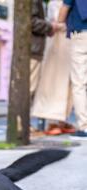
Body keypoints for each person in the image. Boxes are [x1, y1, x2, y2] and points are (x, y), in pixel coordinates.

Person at [32, 0, 75, 135]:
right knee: (54, 82)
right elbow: (55, 22)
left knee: (69, 84)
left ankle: (61, 120)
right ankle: (52, 120)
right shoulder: (53, 4)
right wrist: (59, 24)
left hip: (70, 44)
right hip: (57, 44)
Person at [59, 0, 87, 139]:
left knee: (79, 83)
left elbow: (64, 9)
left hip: (82, 35)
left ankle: (84, 127)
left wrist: (58, 23)